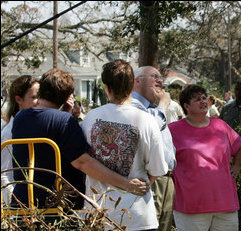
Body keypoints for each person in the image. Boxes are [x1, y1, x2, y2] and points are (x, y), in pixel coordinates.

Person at [10, 68, 150, 213]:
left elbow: (46, 127)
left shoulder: (21, 117)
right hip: (55, 205)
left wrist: (65, 113)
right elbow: (82, 162)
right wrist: (126, 184)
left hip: (24, 201)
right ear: (67, 96)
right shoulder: (64, 121)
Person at [81, 60, 168, 231]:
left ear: (106, 88)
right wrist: (135, 183)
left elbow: (84, 161)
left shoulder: (90, 118)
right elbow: (157, 169)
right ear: (132, 86)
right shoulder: (146, 120)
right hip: (137, 215)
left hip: (98, 214)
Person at [168, 84, 241, 231]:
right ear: (186, 106)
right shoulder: (173, 130)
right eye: (197, 99)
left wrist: (237, 166)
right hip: (190, 203)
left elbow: (239, 145)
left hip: (224, 200)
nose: (203, 101)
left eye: (204, 97)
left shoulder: (220, 125)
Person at [131, 66, 177, 231]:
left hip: (167, 179)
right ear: (137, 81)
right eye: (154, 77)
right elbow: (148, 133)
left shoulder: (154, 109)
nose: (160, 81)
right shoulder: (133, 105)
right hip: (149, 180)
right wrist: (163, 107)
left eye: (161, 77)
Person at [1, 75, 39, 206]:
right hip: (20, 207)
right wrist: (15, 206)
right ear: (18, 99)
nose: (39, 101)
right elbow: (4, 174)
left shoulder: (34, 125)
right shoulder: (9, 132)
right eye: (34, 97)